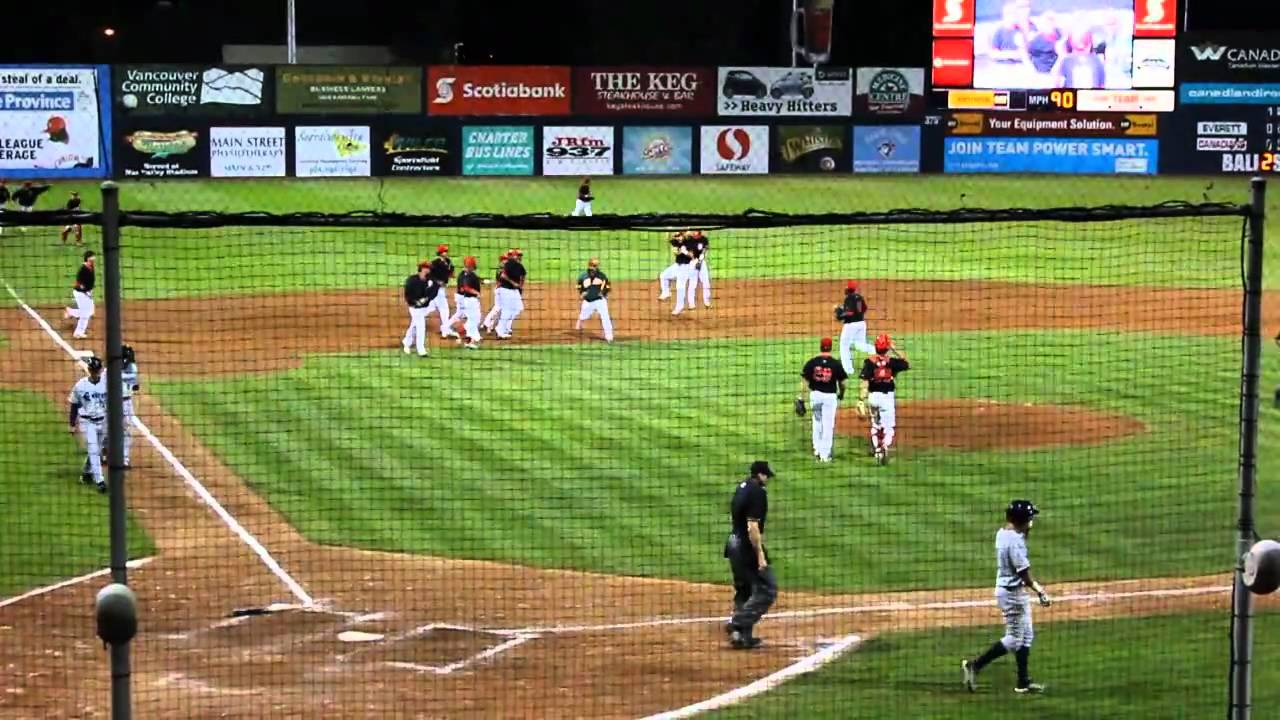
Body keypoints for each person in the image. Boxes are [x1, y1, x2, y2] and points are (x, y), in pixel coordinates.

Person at [962, 500, 1052, 694]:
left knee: (1026, 636)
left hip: (1009, 590)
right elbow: (1025, 575)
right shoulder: (1016, 544)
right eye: (1029, 518)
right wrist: (1040, 591)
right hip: (1013, 595)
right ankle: (974, 665)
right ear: (1022, 520)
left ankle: (1023, 682)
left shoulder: (1002, 534)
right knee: (1014, 639)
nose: (1032, 520)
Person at [723, 460, 777, 650]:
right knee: (768, 589)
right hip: (745, 546)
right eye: (766, 476)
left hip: (732, 543)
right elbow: (752, 526)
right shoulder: (757, 492)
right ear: (760, 475)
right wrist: (760, 555)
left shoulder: (742, 487)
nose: (767, 480)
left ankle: (741, 636)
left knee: (744, 589)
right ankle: (737, 623)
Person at [858, 333, 910, 465]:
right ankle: (884, 446)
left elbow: (864, 382)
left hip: (873, 397)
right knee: (889, 427)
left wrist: (860, 399)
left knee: (875, 425)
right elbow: (906, 362)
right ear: (886, 348)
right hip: (887, 398)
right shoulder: (892, 362)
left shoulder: (869, 362)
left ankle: (877, 451)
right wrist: (894, 348)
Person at [797, 337, 848, 463]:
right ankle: (825, 456)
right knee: (828, 426)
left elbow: (804, 381)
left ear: (820, 347)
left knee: (817, 422)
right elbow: (843, 383)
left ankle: (817, 450)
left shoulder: (812, 362)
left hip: (815, 396)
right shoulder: (835, 363)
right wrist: (841, 394)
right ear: (830, 347)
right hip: (829, 397)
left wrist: (800, 398)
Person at [68, 356, 108, 494]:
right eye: (93, 369)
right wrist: (72, 424)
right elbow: (73, 404)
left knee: (98, 448)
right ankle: (100, 481)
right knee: (93, 450)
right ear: (89, 369)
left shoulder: (106, 384)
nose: (95, 372)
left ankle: (86, 474)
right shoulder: (80, 385)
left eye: (97, 370)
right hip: (87, 422)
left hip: (102, 421)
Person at [835, 280, 874, 375]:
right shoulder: (859, 297)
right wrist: (841, 310)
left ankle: (848, 370)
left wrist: (840, 314)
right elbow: (863, 309)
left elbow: (850, 312)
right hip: (861, 323)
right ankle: (878, 351)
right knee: (860, 345)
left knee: (844, 346)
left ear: (848, 289)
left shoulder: (849, 298)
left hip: (850, 326)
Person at [447, 255, 483, 349]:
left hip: (469, 300)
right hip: (471, 300)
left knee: (475, 319)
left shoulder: (467, 274)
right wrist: (476, 293)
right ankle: (469, 338)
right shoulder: (468, 275)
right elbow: (466, 288)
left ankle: (471, 338)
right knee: (473, 320)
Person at [401, 260, 436, 357]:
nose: (429, 270)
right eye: (428, 268)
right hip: (415, 308)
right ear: (423, 269)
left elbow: (434, 290)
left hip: (424, 307)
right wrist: (415, 302)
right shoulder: (412, 280)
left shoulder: (430, 280)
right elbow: (408, 294)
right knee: (421, 326)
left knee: (415, 325)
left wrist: (428, 296)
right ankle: (421, 350)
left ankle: (406, 342)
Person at [575, 258, 614, 343]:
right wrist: (581, 293)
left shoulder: (602, 276)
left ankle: (609, 337)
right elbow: (579, 286)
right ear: (590, 265)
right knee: (583, 316)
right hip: (588, 302)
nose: (596, 267)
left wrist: (603, 293)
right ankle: (580, 322)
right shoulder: (583, 276)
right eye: (594, 265)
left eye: (597, 265)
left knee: (605, 317)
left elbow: (608, 287)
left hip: (600, 301)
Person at [494, 248, 527, 339]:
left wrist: (520, 286)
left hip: (514, 291)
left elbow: (523, 276)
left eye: (520, 256)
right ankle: (500, 330)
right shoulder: (509, 264)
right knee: (507, 310)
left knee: (518, 308)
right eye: (518, 255)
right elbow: (503, 275)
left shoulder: (520, 266)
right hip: (506, 290)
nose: (519, 257)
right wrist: (513, 283)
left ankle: (504, 328)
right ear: (513, 256)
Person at [63, 250, 95, 340]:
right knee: (85, 313)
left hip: (87, 292)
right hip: (80, 293)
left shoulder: (91, 266)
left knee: (91, 311)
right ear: (88, 258)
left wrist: (90, 291)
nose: (94, 258)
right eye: (92, 256)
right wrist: (85, 292)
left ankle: (71, 311)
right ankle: (78, 333)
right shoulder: (83, 269)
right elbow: (79, 283)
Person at [428, 244, 456, 339]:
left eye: (446, 251)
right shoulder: (435, 262)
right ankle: (445, 330)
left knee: (431, 307)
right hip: (435, 287)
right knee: (444, 309)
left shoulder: (448, 261)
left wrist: (451, 273)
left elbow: (451, 272)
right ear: (440, 253)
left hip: (441, 288)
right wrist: (438, 281)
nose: (446, 253)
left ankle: (417, 317)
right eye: (444, 251)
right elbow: (429, 275)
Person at [120, 344, 141, 468]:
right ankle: (104, 453)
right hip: (109, 402)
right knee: (105, 428)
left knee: (127, 430)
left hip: (126, 402)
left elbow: (135, 383)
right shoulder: (110, 370)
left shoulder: (132, 368)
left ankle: (124, 458)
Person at [481, 251, 509, 335]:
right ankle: (488, 324)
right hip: (500, 291)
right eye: (505, 259)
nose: (506, 261)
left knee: (498, 309)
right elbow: (501, 281)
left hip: (500, 290)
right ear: (502, 261)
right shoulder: (502, 270)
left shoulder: (503, 269)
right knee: (498, 308)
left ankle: (488, 324)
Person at [684, 230, 712, 308]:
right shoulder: (689, 240)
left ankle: (707, 302)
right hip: (692, 262)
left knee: (706, 281)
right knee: (692, 283)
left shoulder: (704, 239)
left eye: (695, 230)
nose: (693, 232)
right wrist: (694, 260)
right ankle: (691, 304)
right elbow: (689, 252)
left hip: (702, 263)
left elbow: (705, 248)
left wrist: (702, 256)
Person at [657, 231, 685, 301]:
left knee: (681, 285)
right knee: (663, 275)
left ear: (682, 235)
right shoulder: (675, 242)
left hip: (687, 267)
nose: (677, 237)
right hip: (677, 265)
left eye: (678, 235)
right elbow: (668, 238)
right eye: (676, 236)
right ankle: (666, 293)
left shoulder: (688, 243)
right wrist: (668, 230)